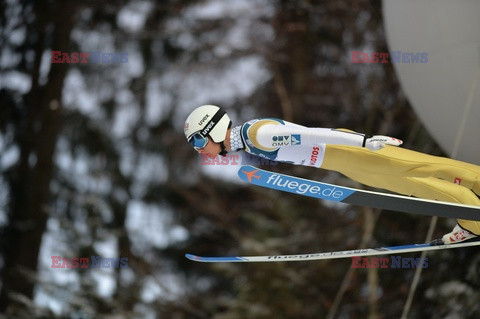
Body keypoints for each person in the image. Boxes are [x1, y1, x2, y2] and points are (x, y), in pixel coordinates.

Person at [184, 104, 480, 244]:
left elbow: (313, 135)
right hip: (345, 161)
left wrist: (364, 141)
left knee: (420, 174)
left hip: (350, 153)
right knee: (418, 180)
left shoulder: (259, 135)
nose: (200, 150)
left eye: (198, 141)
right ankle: (471, 216)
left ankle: (473, 208)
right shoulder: (250, 139)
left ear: (215, 130)